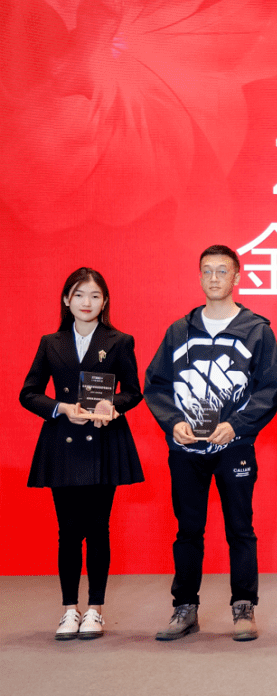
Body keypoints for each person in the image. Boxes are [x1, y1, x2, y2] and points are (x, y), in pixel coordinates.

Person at [144, 245, 277, 642]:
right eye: (207, 271)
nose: (214, 278)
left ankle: (244, 606)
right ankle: (184, 608)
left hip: (234, 448)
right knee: (188, 530)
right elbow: (156, 384)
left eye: (223, 271)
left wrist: (236, 426)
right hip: (186, 451)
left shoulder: (256, 330)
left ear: (237, 277)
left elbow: (270, 388)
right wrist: (173, 422)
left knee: (240, 528)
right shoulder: (179, 330)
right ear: (200, 276)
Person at [20, 268, 144, 640]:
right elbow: (29, 393)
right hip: (63, 442)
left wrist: (112, 405)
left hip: (103, 441)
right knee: (68, 531)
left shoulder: (119, 341)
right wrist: (61, 408)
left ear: (104, 302)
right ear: (66, 300)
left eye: (94, 295)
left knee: (98, 528)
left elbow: (134, 391)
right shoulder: (50, 342)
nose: (86, 302)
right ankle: (69, 610)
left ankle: (95, 609)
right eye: (79, 295)